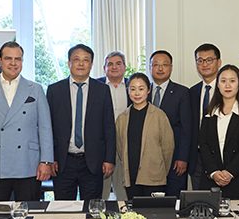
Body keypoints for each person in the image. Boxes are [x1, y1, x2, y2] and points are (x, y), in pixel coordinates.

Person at [0, 41, 54, 202]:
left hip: (28, 164)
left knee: (28, 213)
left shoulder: (35, 89)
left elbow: (45, 128)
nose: (13, 63)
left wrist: (46, 161)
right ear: (0, 61)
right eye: (8, 58)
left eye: (18, 59)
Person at [47, 44, 115, 202]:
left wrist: (109, 159)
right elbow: (47, 128)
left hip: (92, 161)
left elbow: (109, 127)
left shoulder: (102, 90)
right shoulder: (54, 90)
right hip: (63, 162)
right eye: (76, 59)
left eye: (86, 60)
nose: (81, 63)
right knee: (64, 209)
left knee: (92, 209)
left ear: (91, 64)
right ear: (69, 63)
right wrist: (50, 158)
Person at [199, 65, 239, 198]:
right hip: (212, 180)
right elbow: (203, 144)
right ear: (218, 84)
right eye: (223, 81)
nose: (227, 85)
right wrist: (214, 172)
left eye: (232, 81)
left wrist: (230, 172)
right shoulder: (209, 111)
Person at [116, 73, 175, 200]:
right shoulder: (122, 118)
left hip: (154, 177)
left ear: (148, 90)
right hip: (131, 176)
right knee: (134, 211)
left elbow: (168, 149)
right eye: (133, 89)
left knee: (153, 211)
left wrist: (160, 170)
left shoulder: (159, 116)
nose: (137, 93)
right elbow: (120, 147)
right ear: (128, 91)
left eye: (141, 88)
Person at [148, 50, 191, 197]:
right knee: (151, 201)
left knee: (174, 199)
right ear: (150, 67)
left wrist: (183, 157)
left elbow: (186, 128)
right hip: (149, 159)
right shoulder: (142, 91)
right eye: (156, 65)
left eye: (164, 65)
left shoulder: (182, 93)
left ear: (171, 68)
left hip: (175, 159)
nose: (160, 68)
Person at [96, 51, 130, 200]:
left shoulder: (133, 86)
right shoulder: (95, 86)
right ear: (104, 68)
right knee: (100, 192)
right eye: (110, 64)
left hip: (125, 144)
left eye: (118, 63)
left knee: (123, 191)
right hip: (101, 145)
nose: (114, 67)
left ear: (125, 67)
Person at [189, 43, 221, 191]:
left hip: (220, 155)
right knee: (199, 198)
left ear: (219, 62)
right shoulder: (192, 92)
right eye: (200, 60)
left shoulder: (227, 90)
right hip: (197, 157)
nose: (204, 64)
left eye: (209, 60)